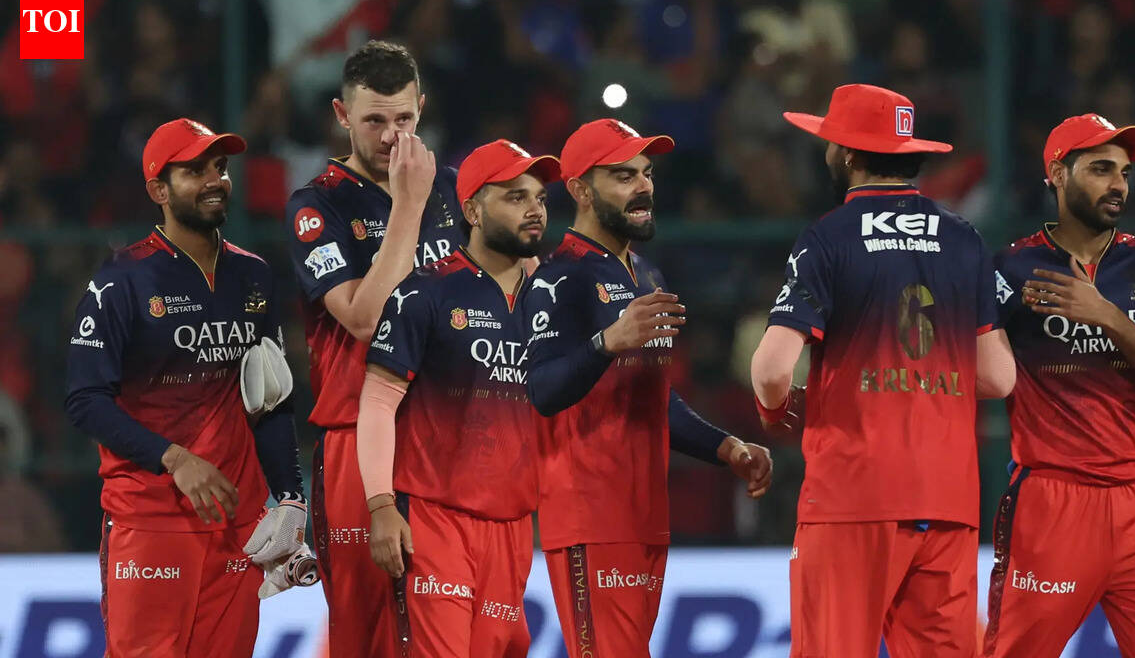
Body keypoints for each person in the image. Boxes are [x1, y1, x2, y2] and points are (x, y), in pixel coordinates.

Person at [751, 84, 1016, 657]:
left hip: (853, 497)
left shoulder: (827, 237)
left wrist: (775, 407)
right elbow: (999, 377)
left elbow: (772, 369)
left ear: (848, 154)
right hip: (947, 499)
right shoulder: (965, 239)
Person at [524, 118, 775, 657]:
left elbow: (654, 398)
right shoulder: (559, 277)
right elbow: (541, 391)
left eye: (646, 173)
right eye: (623, 176)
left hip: (645, 516)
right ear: (580, 190)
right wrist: (606, 342)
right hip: (590, 515)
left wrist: (726, 447)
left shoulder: (647, 274)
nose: (643, 186)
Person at [66, 118, 307, 657]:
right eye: (195, 171)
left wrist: (290, 497)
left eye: (219, 167)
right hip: (150, 519)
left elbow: (270, 398)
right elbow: (85, 400)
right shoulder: (121, 280)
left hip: (238, 527)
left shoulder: (253, 275)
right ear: (159, 190)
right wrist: (173, 458)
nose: (215, 180)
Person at [983, 114, 1135, 657]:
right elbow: (975, 369)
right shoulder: (1011, 268)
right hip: (1052, 503)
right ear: (1059, 173)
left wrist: (1107, 316)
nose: (1118, 184)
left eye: (1124, 173)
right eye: (1101, 169)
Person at [284, 40, 465, 657]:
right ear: (342, 115)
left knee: (453, 635)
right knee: (364, 638)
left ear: (422, 107)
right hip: (356, 437)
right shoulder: (317, 205)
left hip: (451, 437)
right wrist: (409, 206)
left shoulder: (457, 191)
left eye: (404, 118)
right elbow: (363, 318)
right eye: (374, 121)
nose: (392, 136)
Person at [356, 138, 559, 657]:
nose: (534, 209)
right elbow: (378, 401)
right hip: (434, 520)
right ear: (472, 211)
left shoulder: (553, 303)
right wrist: (381, 505)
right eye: (515, 196)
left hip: (513, 528)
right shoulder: (424, 292)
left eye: (539, 197)